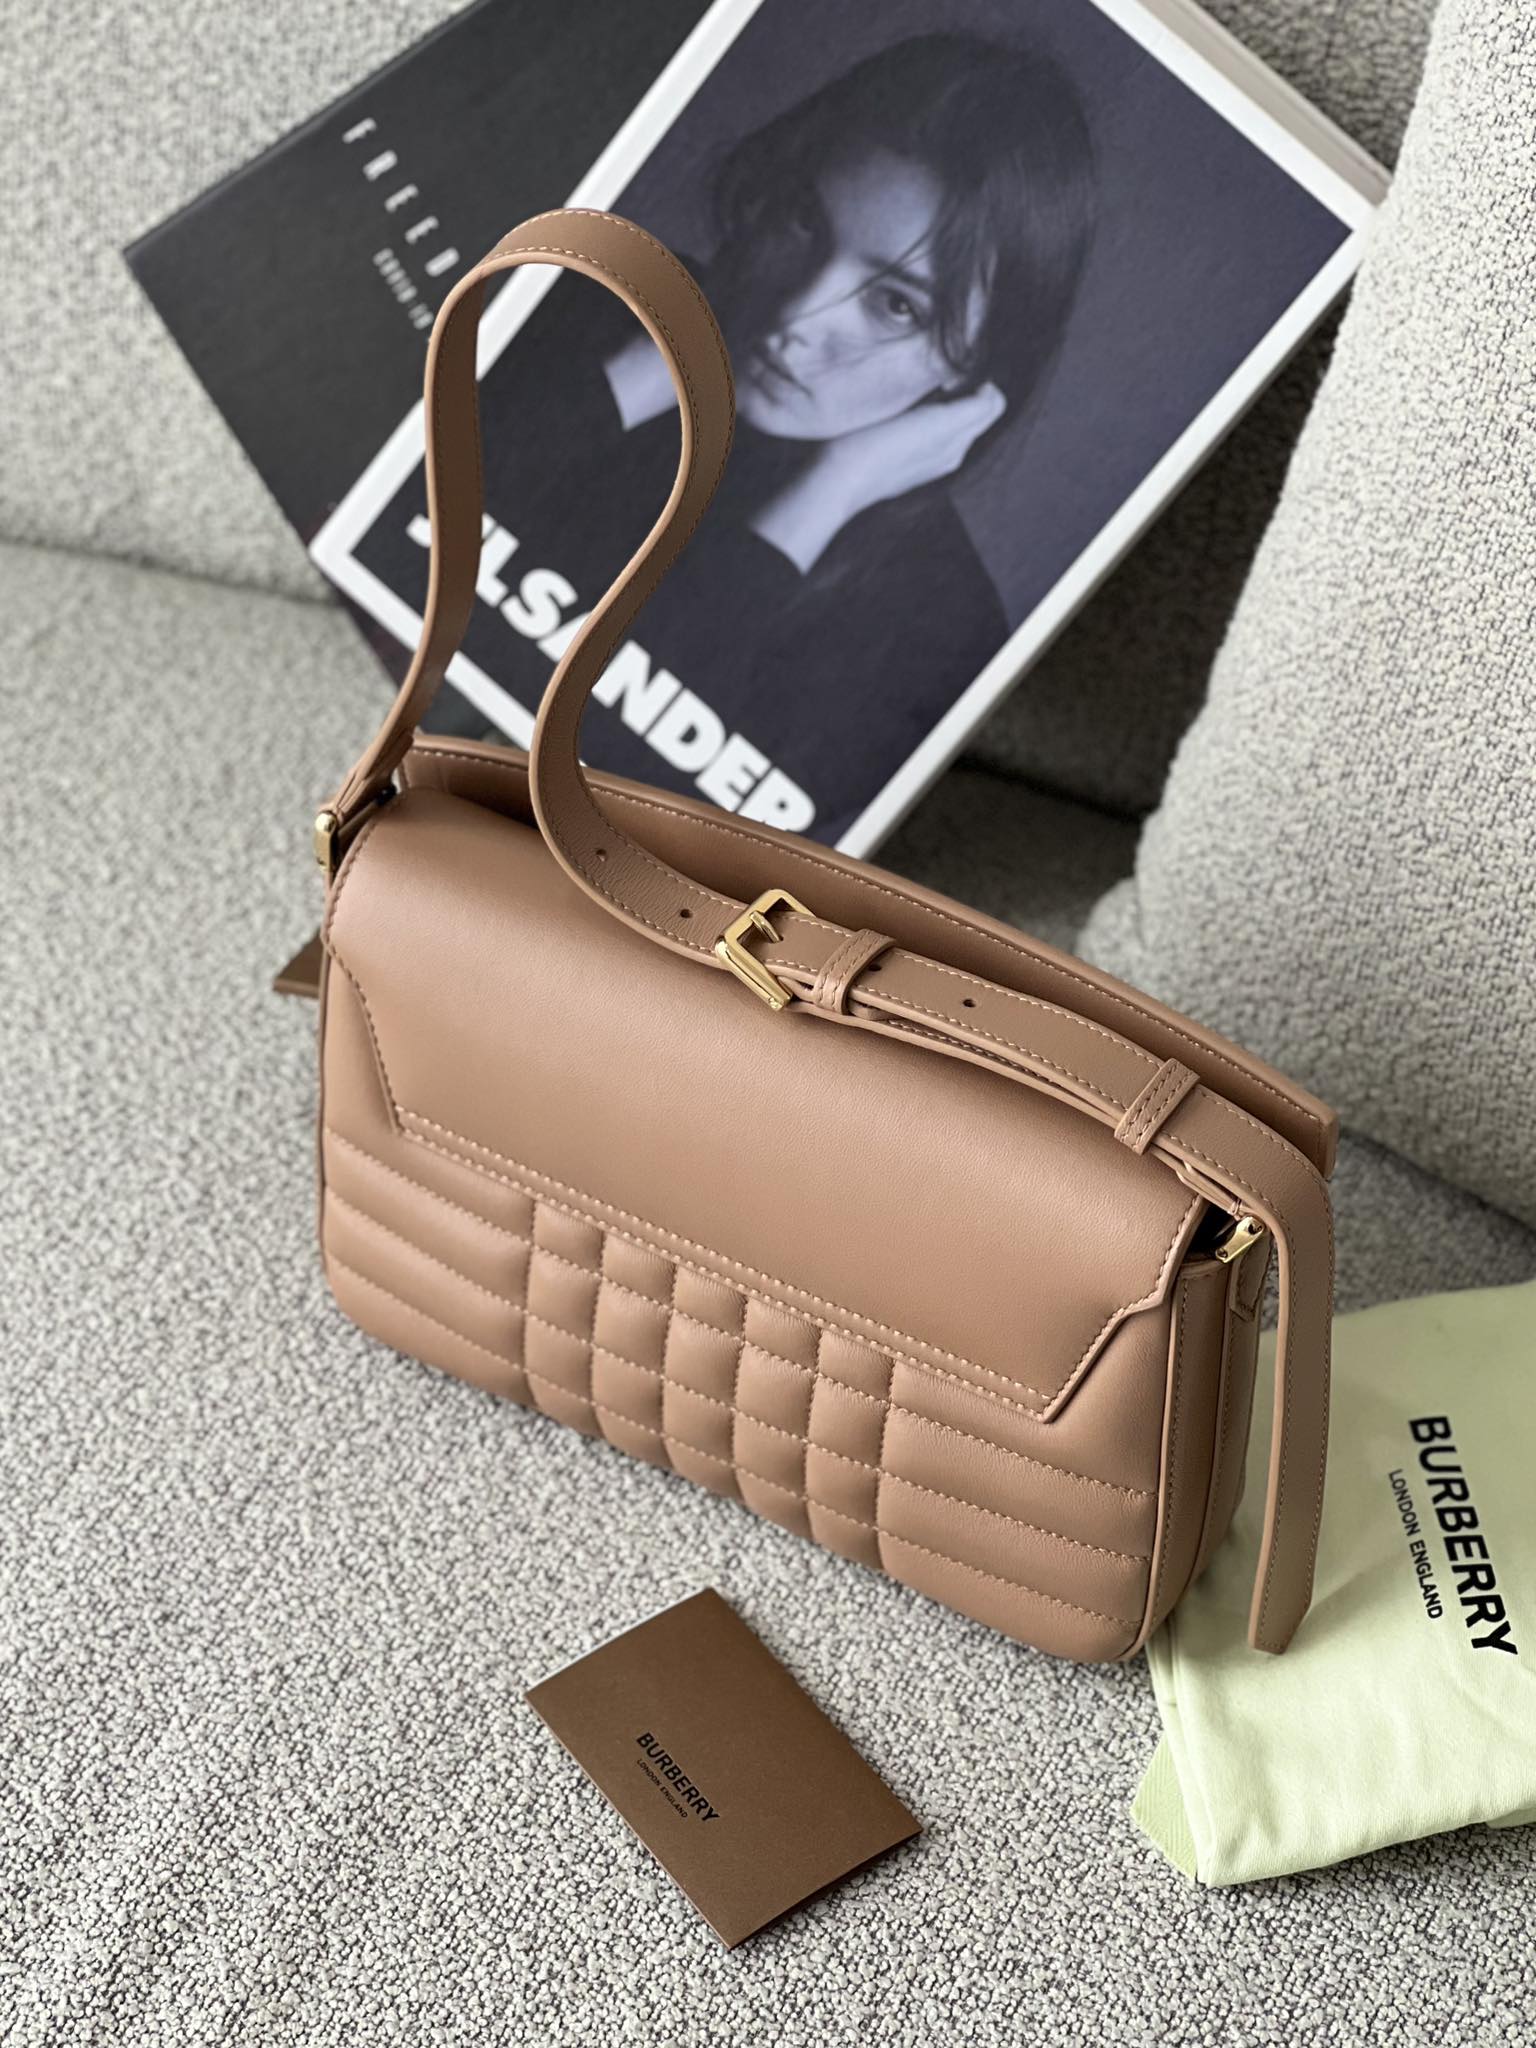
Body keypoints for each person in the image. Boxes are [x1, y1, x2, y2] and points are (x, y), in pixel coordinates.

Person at [474, 31, 1098, 844]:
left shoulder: (934, 627)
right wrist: (654, 364)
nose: (799, 313)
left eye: (897, 304)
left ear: (975, 366)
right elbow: (398, 518)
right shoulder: (569, 300)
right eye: (806, 223)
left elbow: (623, 789)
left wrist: (830, 491)